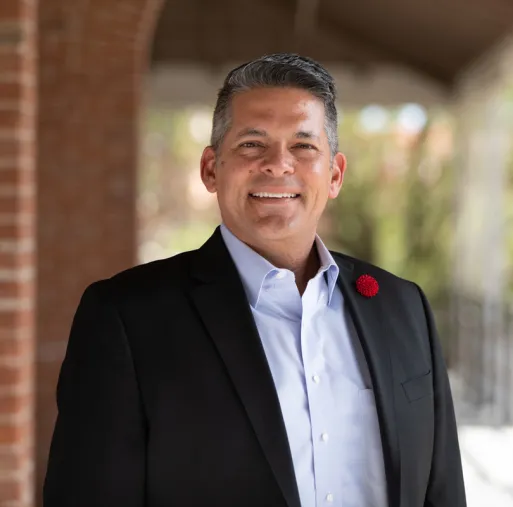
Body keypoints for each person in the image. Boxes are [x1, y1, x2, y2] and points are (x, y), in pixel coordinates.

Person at [43, 53, 466, 507]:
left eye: (304, 145)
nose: (278, 163)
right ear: (210, 169)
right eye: (251, 144)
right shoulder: (126, 318)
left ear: (336, 174)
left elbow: (441, 491)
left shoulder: (403, 307)